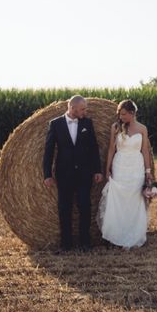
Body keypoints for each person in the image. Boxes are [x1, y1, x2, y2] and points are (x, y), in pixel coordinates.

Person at [43, 95, 103, 252]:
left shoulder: (87, 123)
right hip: (64, 174)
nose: (85, 111)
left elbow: (93, 148)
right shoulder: (55, 124)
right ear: (72, 108)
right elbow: (48, 151)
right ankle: (66, 243)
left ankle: (85, 242)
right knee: (64, 208)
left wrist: (97, 170)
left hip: (84, 173)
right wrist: (47, 174)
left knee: (85, 206)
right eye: (82, 109)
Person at [97, 99, 153, 249]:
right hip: (120, 165)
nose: (120, 117)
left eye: (123, 114)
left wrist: (148, 171)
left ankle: (134, 235)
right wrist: (107, 169)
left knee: (134, 200)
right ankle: (116, 235)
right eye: (119, 114)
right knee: (118, 199)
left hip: (136, 167)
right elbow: (111, 149)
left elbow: (145, 150)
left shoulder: (142, 128)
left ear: (132, 113)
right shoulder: (115, 127)